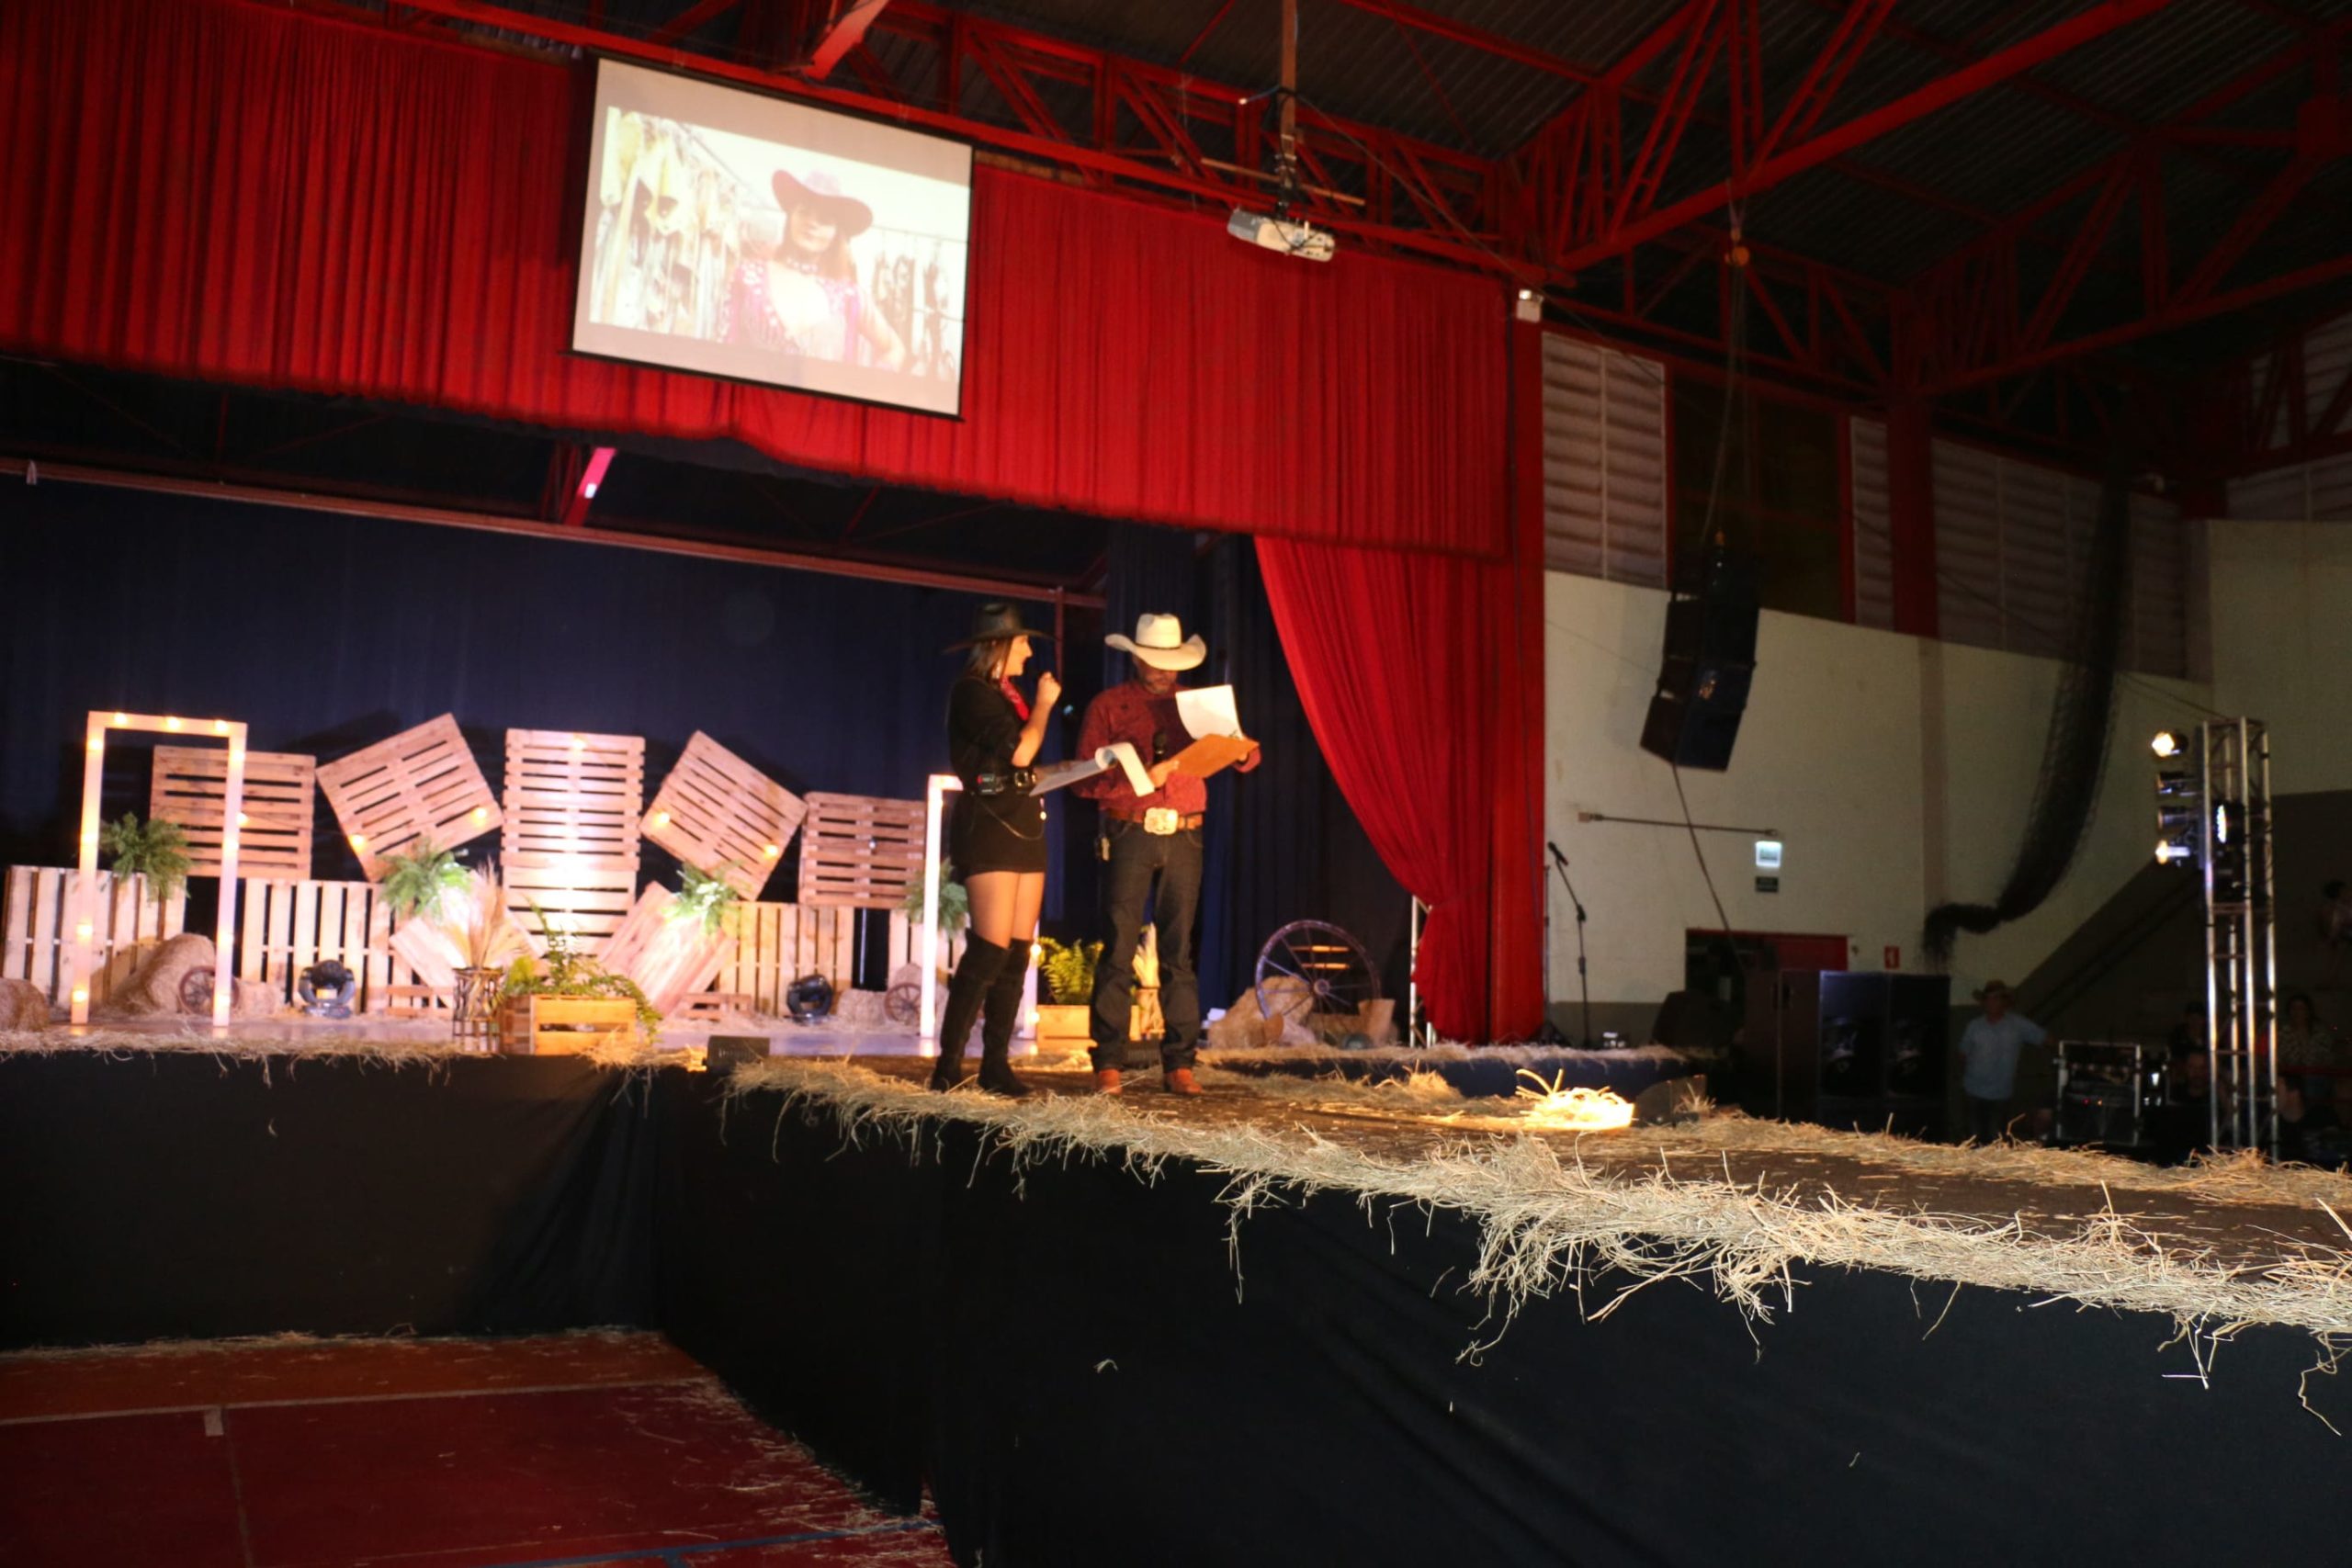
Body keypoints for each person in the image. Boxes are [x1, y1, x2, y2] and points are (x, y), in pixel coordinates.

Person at [1075, 613, 1260, 1096]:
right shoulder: (1109, 704)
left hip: (1185, 833)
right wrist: (1134, 778)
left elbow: (1246, 754)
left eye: (1171, 662)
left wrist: (1240, 751)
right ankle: (1108, 1061)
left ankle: (1179, 1063)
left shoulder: (1196, 705)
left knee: (1178, 951)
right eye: (1154, 661)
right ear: (1135, 658)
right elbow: (1083, 779)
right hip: (1130, 830)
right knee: (1119, 947)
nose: (1163, 671)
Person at [932, 604, 1061, 1096]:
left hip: (1023, 823)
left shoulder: (1008, 694)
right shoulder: (972, 691)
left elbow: (1020, 767)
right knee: (989, 950)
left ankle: (995, 1065)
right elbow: (1020, 752)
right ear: (998, 645)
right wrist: (1045, 705)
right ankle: (948, 1064)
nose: (1028, 650)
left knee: (1017, 953)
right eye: (1022, 641)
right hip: (988, 825)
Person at [723, 168, 907, 368]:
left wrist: (864, 384)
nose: (811, 223)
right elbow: (724, 347)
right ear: (791, 217)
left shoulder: (850, 296)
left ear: (836, 233)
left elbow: (895, 349)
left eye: (824, 220)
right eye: (804, 212)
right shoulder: (748, 276)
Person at [1957, 979, 2045, 1145]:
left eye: (1996, 998)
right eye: (1989, 999)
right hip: (1974, 1091)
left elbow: (2044, 1038)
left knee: (1996, 1139)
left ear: (2004, 1002)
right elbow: (1962, 1054)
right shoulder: (1974, 1026)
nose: (1992, 1003)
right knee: (1972, 1138)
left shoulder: (2018, 1025)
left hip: (2000, 1094)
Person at [2277, 991, 2343, 1101]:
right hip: (2291, 1077)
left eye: (2301, 1008)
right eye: (2293, 1008)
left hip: (2317, 1076)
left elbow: (2327, 1057)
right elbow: (2282, 1058)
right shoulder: (2282, 1034)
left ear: (2308, 1011)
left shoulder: (2320, 1034)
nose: (2297, 1012)